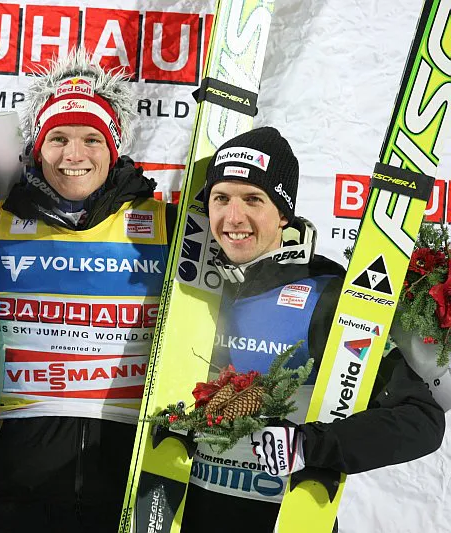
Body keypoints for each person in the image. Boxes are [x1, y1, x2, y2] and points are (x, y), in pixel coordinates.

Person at [0, 50, 176, 532]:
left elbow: (248, 240)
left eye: (91, 139)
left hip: (129, 509)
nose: (73, 155)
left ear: (114, 149)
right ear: (36, 149)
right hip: (10, 507)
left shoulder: (168, 228)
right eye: (58, 138)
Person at [178, 126, 445, 533]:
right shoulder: (190, 287)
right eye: (221, 198)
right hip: (188, 514)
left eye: (253, 199)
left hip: (284, 519)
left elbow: (421, 421)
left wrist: (309, 445)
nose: (233, 217)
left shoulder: (326, 296)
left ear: (283, 213)